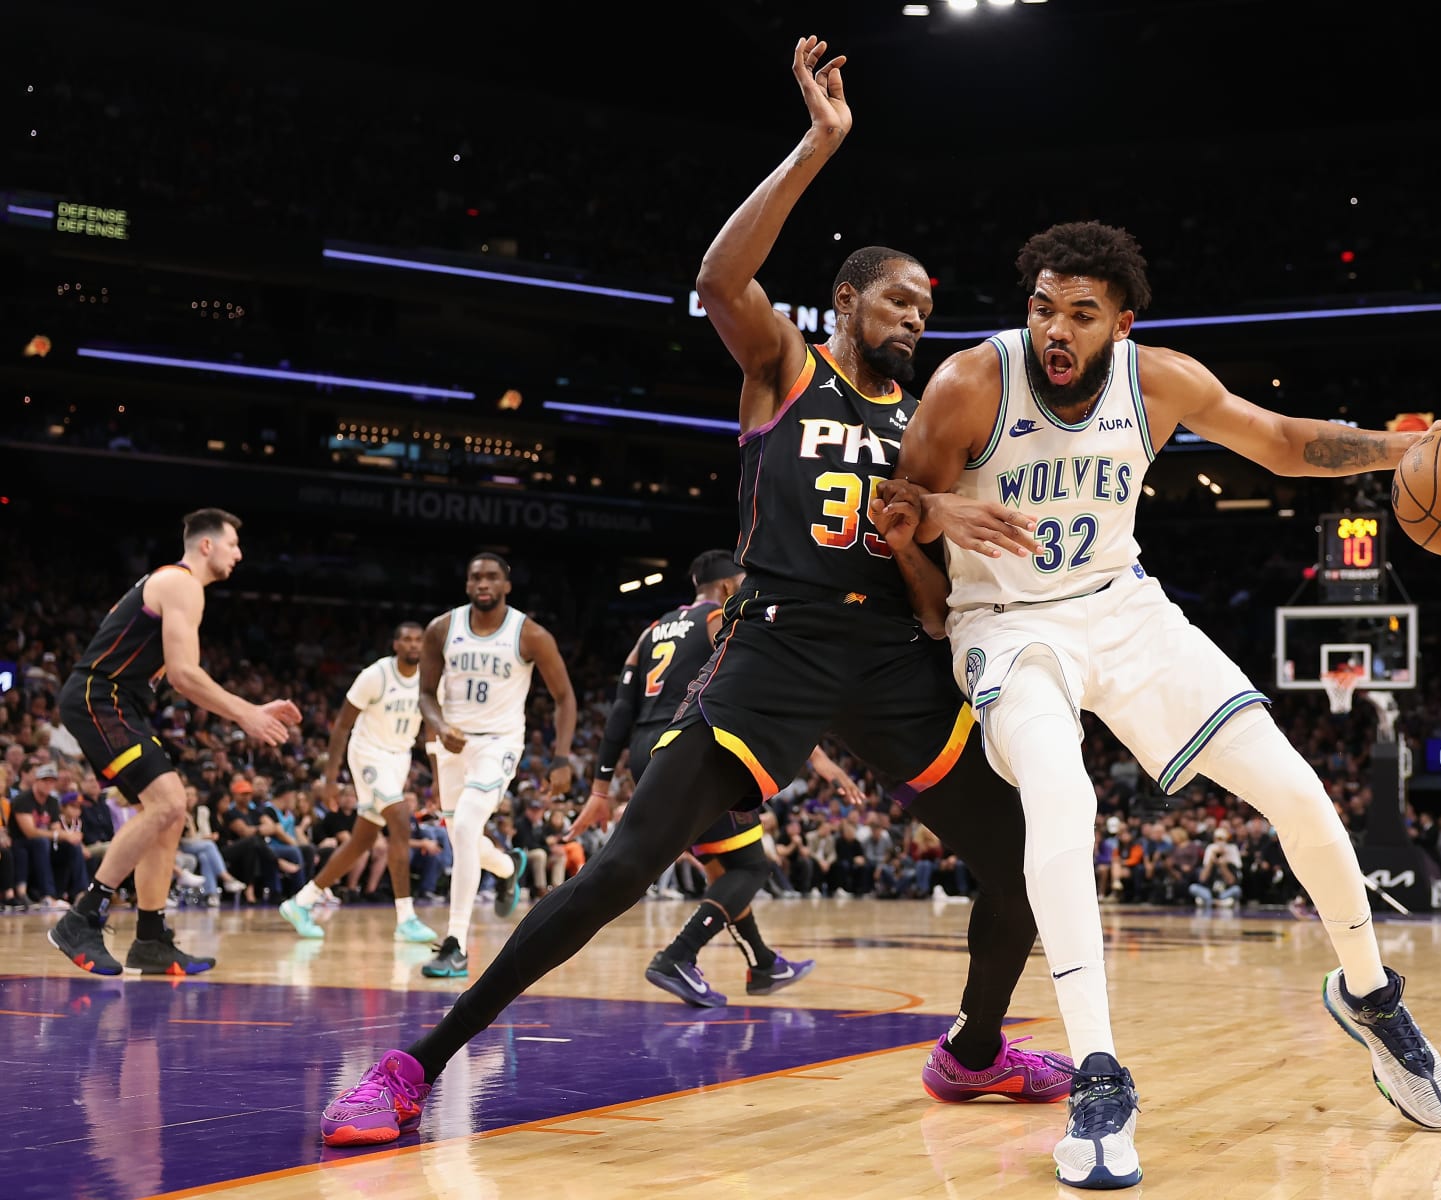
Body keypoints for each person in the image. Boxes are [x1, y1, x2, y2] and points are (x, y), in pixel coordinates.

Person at [321, 37, 1065, 1148]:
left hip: (890, 661)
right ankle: (414, 1064)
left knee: (1024, 857)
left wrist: (922, 526)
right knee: (623, 868)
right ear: (847, 300)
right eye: (898, 302)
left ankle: (974, 1051)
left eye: (928, 309)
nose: (917, 320)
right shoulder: (786, 367)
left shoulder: (924, 430)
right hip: (776, 645)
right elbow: (719, 281)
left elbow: (927, 598)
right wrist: (820, 143)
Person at [888, 221, 1441, 1185]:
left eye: (1082, 313)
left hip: (1124, 609)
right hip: (1007, 620)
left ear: (1122, 324)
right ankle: (1098, 1074)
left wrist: (1414, 447)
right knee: (1062, 797)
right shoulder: (969, 385)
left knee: (1297, 791)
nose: (1056, 329)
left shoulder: (1159, 381)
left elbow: (1282, 444)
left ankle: (1370, 995)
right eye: (1043, 308)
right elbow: (893, 511)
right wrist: (937, 514)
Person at [566, 549, 860, 1006]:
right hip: (693, 747)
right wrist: (817, 756)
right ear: (727, 587)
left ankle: (763, 963)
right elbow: (758, 688)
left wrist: (601, 787)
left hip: (647, 753)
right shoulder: (719, 618)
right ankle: (677, 957)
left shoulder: (650, 631)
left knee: (723, 867)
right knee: (751, 868)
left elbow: (621, 708)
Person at [48, 508, 299, 975]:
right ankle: (82, 919)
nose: (239, 554)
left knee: (169, 813)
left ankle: (150, 939)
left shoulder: (172, 585)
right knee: (167, 802)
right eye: (232, 545)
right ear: (206, 545)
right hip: (100, 697)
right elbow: (184, 676)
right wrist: (246, 712)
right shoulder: (181, 583)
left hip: (121, 702)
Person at [414, 552, 578, 979]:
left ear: (506, 585)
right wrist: (439, 726)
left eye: (491, 577)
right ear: (467, 585)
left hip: (498, 743)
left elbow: (564, 697)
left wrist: (561, 757)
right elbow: (426, 694)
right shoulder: (441, 629)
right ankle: (508, 867)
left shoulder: (530, 634)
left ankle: (455, 945)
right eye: (475, 578)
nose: (483, 583)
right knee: (462, 838)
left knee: (468, 825)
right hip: (451, 743)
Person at [278, 622, 437, 944]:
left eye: (418, 640)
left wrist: (437, 777)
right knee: (400, 819)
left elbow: (432, 730)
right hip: (368, 754)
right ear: (395, 644)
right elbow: (341, 726)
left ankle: (301, 902)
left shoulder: (429, 679)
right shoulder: (375, 675)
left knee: (362, 840)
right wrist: (330, 778)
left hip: (399, 758)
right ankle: (406, 918)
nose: (413, 645)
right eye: (407, 639)